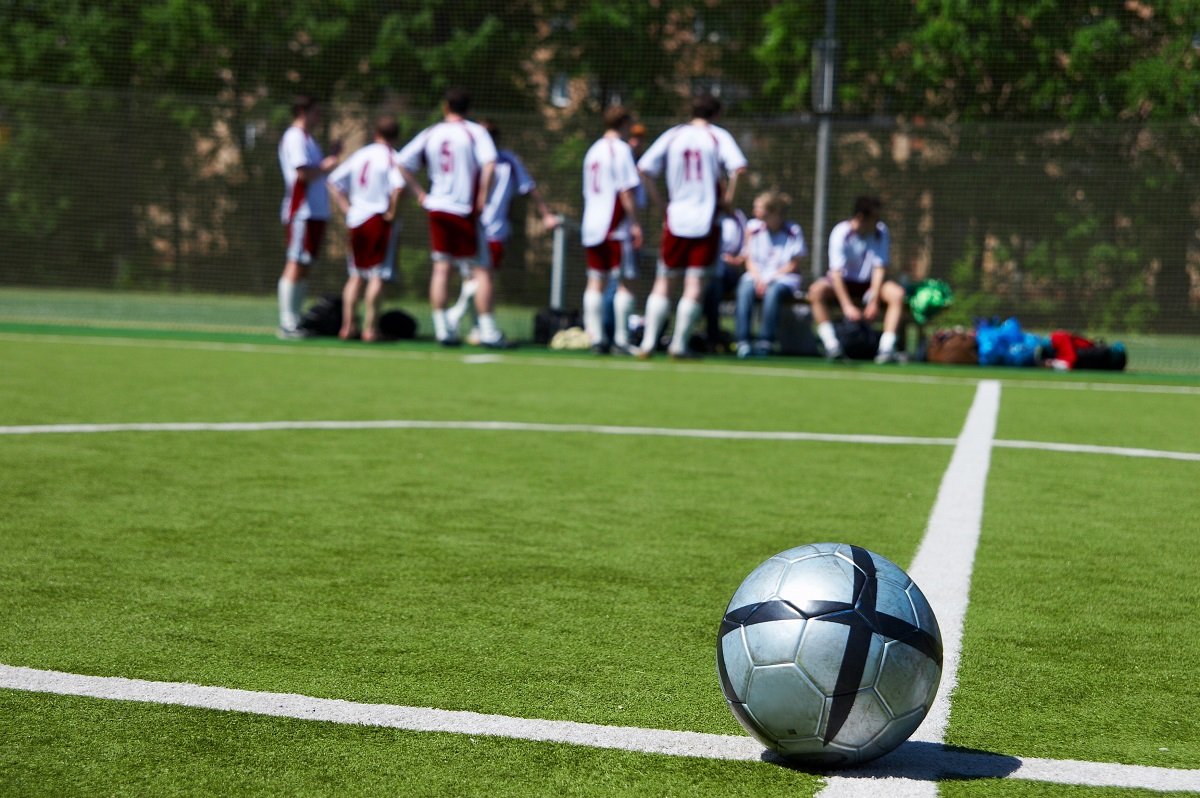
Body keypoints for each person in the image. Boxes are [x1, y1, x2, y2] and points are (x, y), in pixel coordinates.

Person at [635, 94, 747, 359]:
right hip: (706, 220)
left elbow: (644, 168)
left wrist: (662, 204)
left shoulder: (673, 135)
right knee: (694, 283)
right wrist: (729, 201)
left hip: (675, 219)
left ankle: (648, 343)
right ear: (717, 114)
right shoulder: (717, 136)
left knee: (664, 281)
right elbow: (739, 168)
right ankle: (678, 345)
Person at [396, 87, 502, 347]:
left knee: (442, 268)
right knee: (481, 270)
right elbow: (490, 163)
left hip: (438, 207)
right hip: (463, 209)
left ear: (446, 107)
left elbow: (400, 161)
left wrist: (421, 194)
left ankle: (443, 328)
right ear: (469, 108)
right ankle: (487, 331)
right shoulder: (474, 131)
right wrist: (482, 198)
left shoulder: (432, 132)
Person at [446, 119, 559, 343]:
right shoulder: (475, 159)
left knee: (474, 280)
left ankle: (474, 326)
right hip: (474, 226)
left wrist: (545, 214)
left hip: (490, 229)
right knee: (480, 280)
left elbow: (529, 187)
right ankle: (464, 319)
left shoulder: (507, 161)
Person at [326, 115, 406, 342]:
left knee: (355, 275)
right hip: (378, 220)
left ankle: (347, 327)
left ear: (375, 133)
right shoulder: (392, 158)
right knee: (377, 276)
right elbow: (399, 187)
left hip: (357, 220)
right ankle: (371, 329)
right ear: (396, 136)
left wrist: (348, 209)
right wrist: (392, 212)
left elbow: (333, 181)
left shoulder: (361, 154)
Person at [809, 195, 906, 363]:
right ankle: (831, 345)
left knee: (897, 294)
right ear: (861, 217)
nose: (878, 222)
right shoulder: (841, 233)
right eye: (875, 218)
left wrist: (874, 301)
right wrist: (847, 306)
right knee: (816, 291)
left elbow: (879, 268)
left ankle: (886, 349)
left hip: (870, 286)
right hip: (843, 284)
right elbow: (836, 273)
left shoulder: (881, 231)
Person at [277, 94, 342, 339]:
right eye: (316, 111)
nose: (319, 116)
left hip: (314, 212)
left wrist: (330, 159)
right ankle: (287, 322)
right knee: (295, 263)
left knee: (304, 265)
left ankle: (296, 318)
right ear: (303, 111)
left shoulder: (308, 138)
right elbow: (303, 173)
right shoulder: (295, 137)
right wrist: (330, 162)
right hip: (301, 212)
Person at [581, 106, 643, 353]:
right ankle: (621, 338)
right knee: (626, 282)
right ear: (625, 123)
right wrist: (635, 222)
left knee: (595, 281)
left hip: (592, 223)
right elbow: (626, 189)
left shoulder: (593, 150)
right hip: (614, 225)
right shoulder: (621, 150)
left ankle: (595, 337)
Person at [734, 192, 807, 358]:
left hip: (783, 279)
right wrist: (759, 278)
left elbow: (793, 264)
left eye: (759, 208)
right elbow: (749, 260)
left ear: (773, 212)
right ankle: (742, 341)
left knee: (773, 292)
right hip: (757, 276)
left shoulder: (793, 231)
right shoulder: (752, 228)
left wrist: (769, 279)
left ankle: (765, 341)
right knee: (744, 288)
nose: (755, 212)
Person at [702, 207, 748, 352]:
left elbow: (746, 246)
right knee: (711, 289)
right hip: (707, 269)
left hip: (729, 273)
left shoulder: (738, 217)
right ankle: (709, 337)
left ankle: (721, 339)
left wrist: (739, 259)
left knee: (716, 287)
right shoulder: (706, 211)